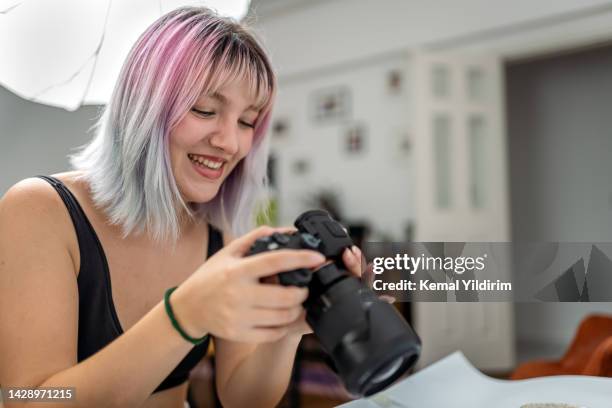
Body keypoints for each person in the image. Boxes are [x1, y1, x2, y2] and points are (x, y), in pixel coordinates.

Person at [0, 7, 363, 408]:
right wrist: (182, 317)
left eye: (247, 121)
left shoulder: (217, 238)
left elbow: (245, 399)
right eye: (205, 110)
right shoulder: (39, 211)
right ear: (144, 109)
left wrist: (287, 328)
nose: (230, 143)